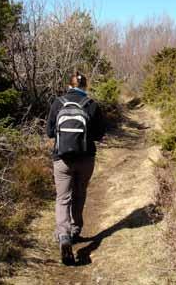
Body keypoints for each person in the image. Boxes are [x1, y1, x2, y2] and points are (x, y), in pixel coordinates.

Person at [46, 71, 106, 265]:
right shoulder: (91, 104)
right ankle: (75, 229)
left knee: (63, 197)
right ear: (85, 86)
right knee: (79, 194)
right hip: (86, 158)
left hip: (61, 159)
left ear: (69, 86)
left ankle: (63, 236)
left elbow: (49, 132)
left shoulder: (58, 103)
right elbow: (99, 135)